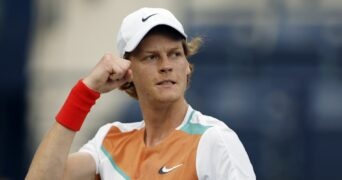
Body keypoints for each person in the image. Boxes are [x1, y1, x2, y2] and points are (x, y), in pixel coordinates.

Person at [26, 7, 256, 180]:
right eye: (151, 57)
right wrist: (84, 93)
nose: (166, 65)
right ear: (128, 71)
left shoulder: (214, 140)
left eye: (175, 54)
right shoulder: (109, 140)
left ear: (187, 65)